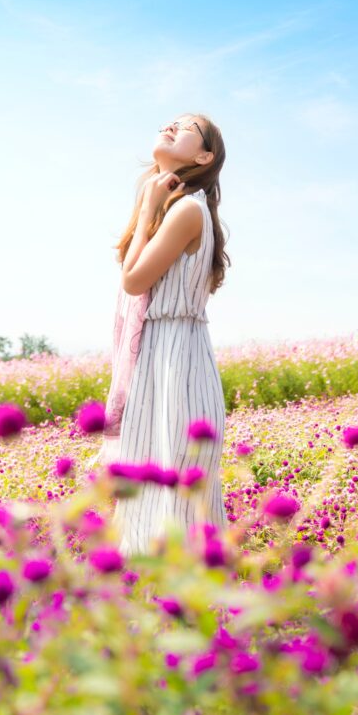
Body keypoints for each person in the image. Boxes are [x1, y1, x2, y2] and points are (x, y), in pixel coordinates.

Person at [95, 113, 231, 557]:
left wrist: (151, 207)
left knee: (173, 484)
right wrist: (150, 205)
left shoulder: (187, 209)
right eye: (169, 121)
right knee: (153, 483)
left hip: (175, 361)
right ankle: (154, 599)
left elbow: (133, 280)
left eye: (186, 127)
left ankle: (187, 602)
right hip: (164, 354)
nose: (171, 125)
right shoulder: (182, 206)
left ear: (205, 156)